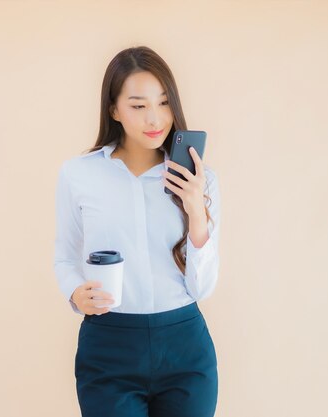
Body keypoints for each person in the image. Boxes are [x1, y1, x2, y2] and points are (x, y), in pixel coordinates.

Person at [53, 46, 221, 417]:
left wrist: (195, 210)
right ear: (114, 109)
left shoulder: (200, 180)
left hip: (185, 349)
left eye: (163, 103)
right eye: (138, 105)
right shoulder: (79, 174)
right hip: (109, 347)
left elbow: (203, 288)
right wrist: (74, 293)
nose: (155, 118)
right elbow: (65, 255)